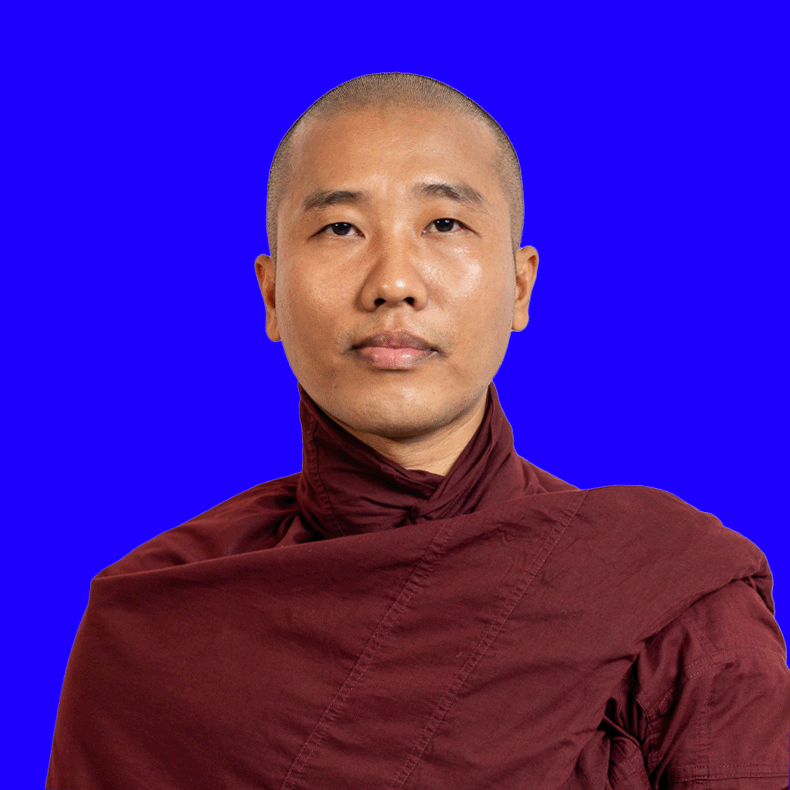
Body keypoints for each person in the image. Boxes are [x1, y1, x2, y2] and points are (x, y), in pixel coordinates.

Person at [47, 73, 790, 789]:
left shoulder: (667, 597)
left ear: (520, 286)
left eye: (444, 224)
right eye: (340, 227)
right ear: (271, 294)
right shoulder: (153, 623)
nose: (393, 283)